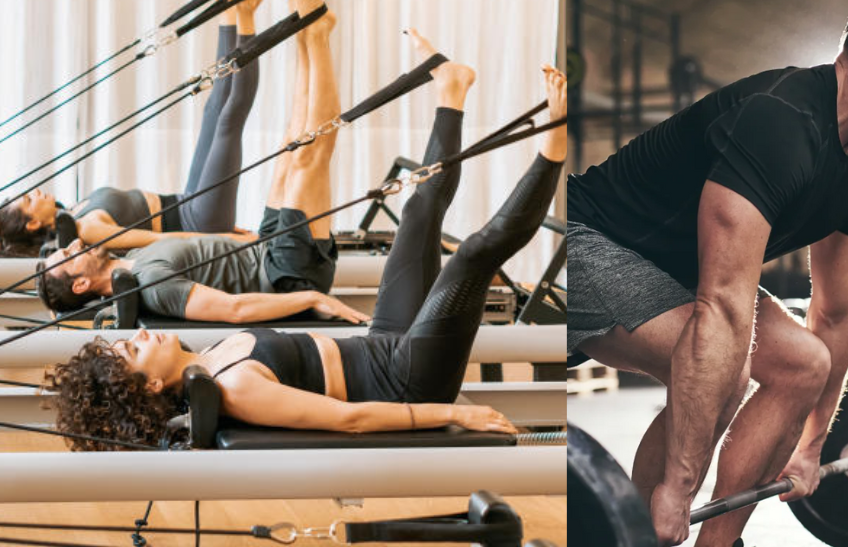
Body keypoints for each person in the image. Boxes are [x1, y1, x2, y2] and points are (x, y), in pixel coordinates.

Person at [45, 7, 569, 452]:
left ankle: (452, 89)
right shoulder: (234, 387)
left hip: (384, 341)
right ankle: (553, 147)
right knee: (472, 256)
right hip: (408, 378)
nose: (137, 334)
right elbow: (350, 420)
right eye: (134, 351)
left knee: (417, 212)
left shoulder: (209, 358)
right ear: (154, 383)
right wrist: (453, 414)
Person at [565, 0, 848, 545]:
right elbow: (722, 306)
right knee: (725, 371)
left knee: (804, 362)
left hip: (678, 272)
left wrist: (812, 447)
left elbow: (836, 316)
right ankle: (645, 533)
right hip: (582, 242)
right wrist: (676, 487)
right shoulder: (779, 121)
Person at [36, 0, 363, 324]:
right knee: (310, 152)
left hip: (262, 247)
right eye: (69, 255)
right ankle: (318, 35)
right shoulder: (153, 285)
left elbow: (190, 245)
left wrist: (229, 238)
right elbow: (235, 310)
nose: (76, 243)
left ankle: (308, 33)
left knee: (291, 147)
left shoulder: (134, 259)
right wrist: (314, 297)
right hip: (285, 272)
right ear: (80, 284)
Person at [0, 0, 264, 257]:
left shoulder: (73, 211)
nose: (34, 192)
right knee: (230, 118)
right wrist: (220, 239)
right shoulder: (87, 230)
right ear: (32, 223)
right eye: (28, 200)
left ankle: (229, 12)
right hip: (198, 222)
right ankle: (245, 17)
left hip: (187, 202)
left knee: (215, 108)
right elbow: (155, 240)